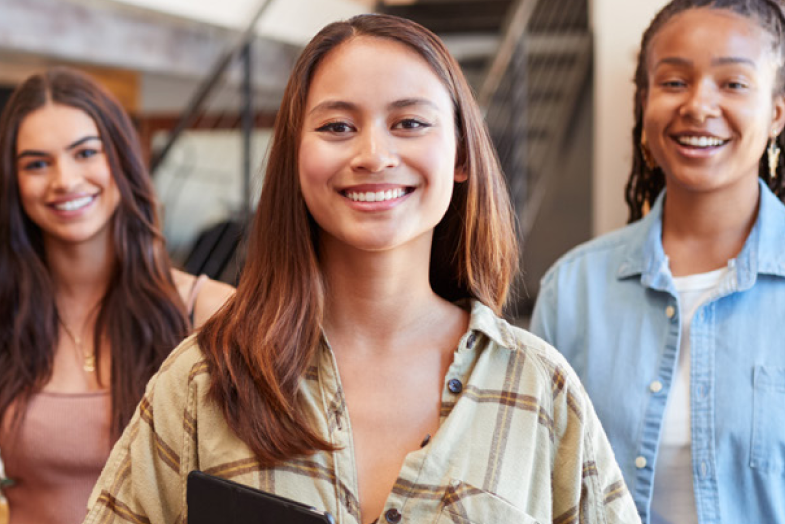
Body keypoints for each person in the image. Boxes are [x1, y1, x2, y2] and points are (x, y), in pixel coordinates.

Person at [82, 13, 639, 524]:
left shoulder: (538, 387)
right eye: (337, 127)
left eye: (410, 122)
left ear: (462, 156)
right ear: (294, 157)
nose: (373, 154)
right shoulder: (207, 377)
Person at [531, 1, 785, 523]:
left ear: (777, 112)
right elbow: (536, 491)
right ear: (644, 101)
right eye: (674, 82)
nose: (698, 104)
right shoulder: (574, 288)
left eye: (733, 84)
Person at [0, 67, 235, 524]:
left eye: (85, 152)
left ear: (123, 160)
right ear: (15, 183)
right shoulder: (11, 314)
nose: (64, 180)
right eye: (36, 163)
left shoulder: (206, 312)